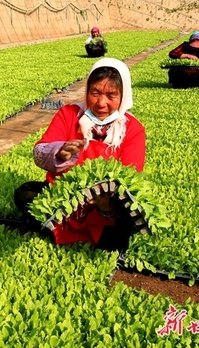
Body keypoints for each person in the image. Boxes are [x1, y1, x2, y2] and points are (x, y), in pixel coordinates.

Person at [13, 58, 146, 250]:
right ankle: (59, 227)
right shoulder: (69, 113)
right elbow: (40, 151)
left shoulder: (133, 129)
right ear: (87, 91)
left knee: (127, 222)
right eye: (95, 93)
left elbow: (130, 177)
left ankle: (82, 233)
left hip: (103, 209)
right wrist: (59, 152)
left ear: (123, 96)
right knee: (25, 194)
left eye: (111, 95)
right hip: (65, 199)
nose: (101, 103)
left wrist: (105, 204)